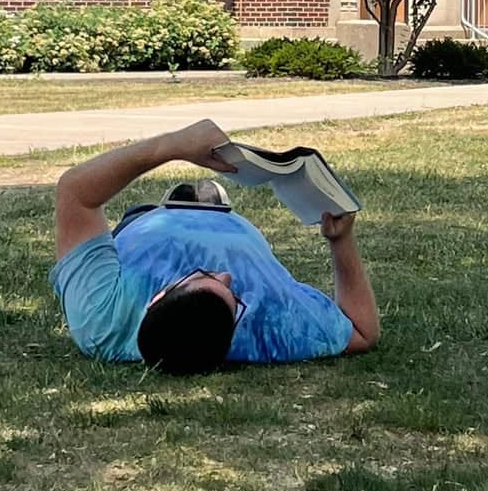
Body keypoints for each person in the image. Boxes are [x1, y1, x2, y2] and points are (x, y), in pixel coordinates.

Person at [50, 118, 380, 373]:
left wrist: (172, 146)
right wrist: (341, 240)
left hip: (146, 229)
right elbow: (363, 332)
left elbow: (75, 191)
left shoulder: (101, 323)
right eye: (234, 297)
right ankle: (208, 206)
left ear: (157, 298)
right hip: (233, 228)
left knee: (139, 216)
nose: (226, 276)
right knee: (204, 205)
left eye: (203, 276)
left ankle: (171, 207)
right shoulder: (270, 331)